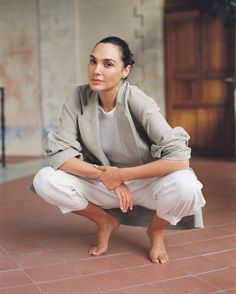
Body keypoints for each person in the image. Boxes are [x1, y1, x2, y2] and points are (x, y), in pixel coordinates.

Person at [33, 36, 206, 264]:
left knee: (187, 187)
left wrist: (122, 176)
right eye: (93, 61)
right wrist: (108, 177)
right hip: (103, 183)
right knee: (44, 179)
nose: (96, 70)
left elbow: (180, 159)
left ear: (125, 70)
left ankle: (155, 231)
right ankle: (105, 221)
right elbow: (60, 155)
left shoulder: (138, 100)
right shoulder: (78, 97)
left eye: (108, 64)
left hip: (144, 182)